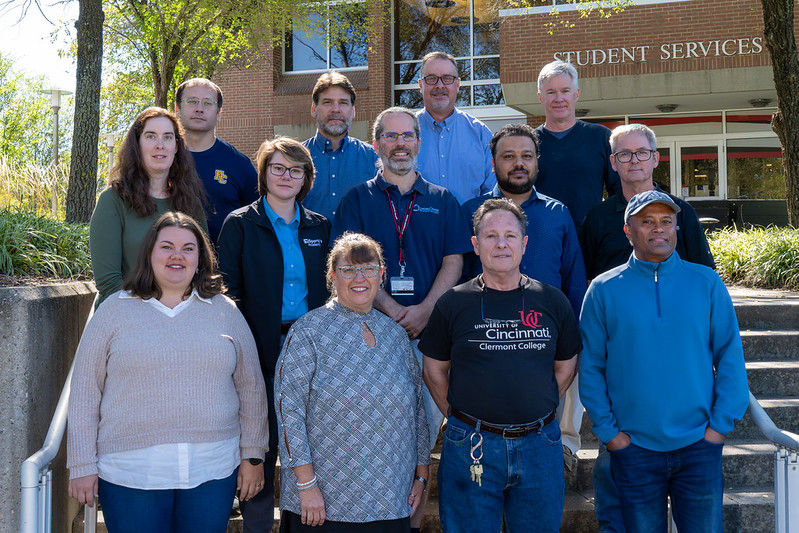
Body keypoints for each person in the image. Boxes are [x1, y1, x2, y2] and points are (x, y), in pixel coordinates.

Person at [67, 212, 269, 532]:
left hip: (212, 471)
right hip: (129, 473)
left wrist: (253, 456)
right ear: (149, 253)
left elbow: (252, 388)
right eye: (167, 247)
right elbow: (84, 392)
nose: (177, 255)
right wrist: (81, 464)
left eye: (189, 248)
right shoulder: (114, 311)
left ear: (201, 259)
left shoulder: (225, 312)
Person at [332, 106, 472, 531]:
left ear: (418, 142)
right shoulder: (357, 199)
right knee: (380, 434)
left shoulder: (443, 200)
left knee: (423, 435)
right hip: (372, 333)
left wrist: (425, 310)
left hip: (432, 335)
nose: (400, 143)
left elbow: (454, 261)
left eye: (408, 135)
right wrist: (392, 310)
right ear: (377, 144)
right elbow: (347, 266)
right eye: (390, 137)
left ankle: (409, 522)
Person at [579, 190, 749, 533]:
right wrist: (612, 435)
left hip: (699, 447)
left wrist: (718, 430)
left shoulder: (706, 283)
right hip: (633, 448)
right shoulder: (603, 289)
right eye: (647, 222)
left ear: (677, 227)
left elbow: (730, 358)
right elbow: (591, 368)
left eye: (666, 221)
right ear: (628, 230)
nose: (659, 229)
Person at [421, 198, 580, 532]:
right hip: (472, 447)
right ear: (476, 245)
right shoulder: (453, 303)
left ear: (524, 244)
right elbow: (433, 369)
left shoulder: (552, 300)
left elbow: (565, 366)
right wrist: (458, 417)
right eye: (491, 236)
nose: (502, 244)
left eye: (510, 235)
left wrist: (542, 403)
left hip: (540, 444)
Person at [275, 232, 430, 532]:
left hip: (390, 498)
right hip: (322, 505)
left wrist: (421, 475)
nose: (359, 277)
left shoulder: (396, 337)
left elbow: (417, 411)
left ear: (381, 274)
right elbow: (288, 411)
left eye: (368, 268)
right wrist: (306, 485)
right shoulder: (308, 332)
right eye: (348, 269)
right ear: (333, 276)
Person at [217, 137, 330, 533]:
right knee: (260, 448)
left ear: (306, 179)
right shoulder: (241, 223)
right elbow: (225, 291)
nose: (287, 176)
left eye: (295, 170)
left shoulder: (319, 226)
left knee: (308, 445)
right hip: (257, 350)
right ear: (264, 174)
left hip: (310, 351)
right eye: (278, 168)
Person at [463, 123, 587, 467]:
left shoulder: (557, 213)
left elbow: (573, 276)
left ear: (537, 162)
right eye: (508, 156)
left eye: (526, 156)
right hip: (487, 330)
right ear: (493, 163)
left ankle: (563, 448)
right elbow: (459, 275)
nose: (518, 163)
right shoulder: (472, 211)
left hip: (546, 327)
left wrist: (574, 332)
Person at [90, 107, 208, 306]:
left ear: (177, 147)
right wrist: (156, 314)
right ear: (137, 144)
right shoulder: (113, 201)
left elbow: (203, 268)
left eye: (168, 137)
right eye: (151, 136)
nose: (160, 145)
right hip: (124, 316)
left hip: (180, 316)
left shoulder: (190, 203)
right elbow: (109, 282)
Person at [581, 123, 715, 280]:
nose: (634, 160)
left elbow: (705, 274)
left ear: (656, 159)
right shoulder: (597, 218)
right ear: (613, 162)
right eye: (625, 154)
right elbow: (586, 278)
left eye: (642, 152)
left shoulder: (682, 212)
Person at [534, 60, 620, 230]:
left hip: (591, 240)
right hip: (542, 238)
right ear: (540, 97)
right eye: (551, 92)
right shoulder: (528, 142)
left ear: (576, 94)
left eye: (565, 91)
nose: (559, 99)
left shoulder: (600, 137)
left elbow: (618, 192)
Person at [175, 77, 259, 244]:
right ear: (177, 109)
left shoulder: (240, 165)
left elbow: (257, 222)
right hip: (169, 264)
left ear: (219, 113)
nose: (199, 109)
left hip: (224, 267)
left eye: (207, 103)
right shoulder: (163, 158)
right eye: (192, 101)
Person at [415, 51, 495, 203]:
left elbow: (492, 194)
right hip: (416, 226)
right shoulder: (404, 133)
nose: (440, 86)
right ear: (421, 85)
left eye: (447, 78)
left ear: (457, 85)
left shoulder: (481, 134)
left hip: (468, 225)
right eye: (431, 79)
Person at [301, 71, 379, 219]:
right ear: (313, 109)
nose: (335, 109)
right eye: (327, 102)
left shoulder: (373, 158)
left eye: (343, 103)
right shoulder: (295, 158)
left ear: (353, 111)